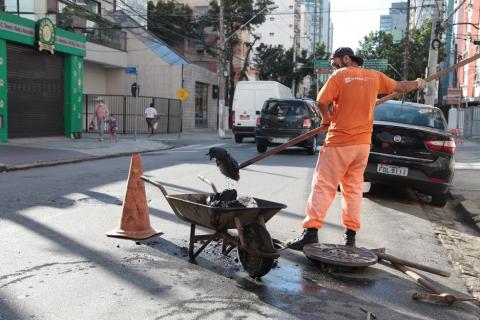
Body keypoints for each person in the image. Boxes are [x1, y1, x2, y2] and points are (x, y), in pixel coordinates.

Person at [285, 47, 427, 250]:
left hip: (339, 142)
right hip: (361, 145)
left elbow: (321, 101)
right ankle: (350, 238)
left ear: (345, 58)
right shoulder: (375, 76)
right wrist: (418, 83)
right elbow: (400, 86)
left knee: (323, 186)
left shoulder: (341, 75)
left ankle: (310, 233)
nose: (334, 66)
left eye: (335, 62)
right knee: (352, 190)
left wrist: (327, 119)